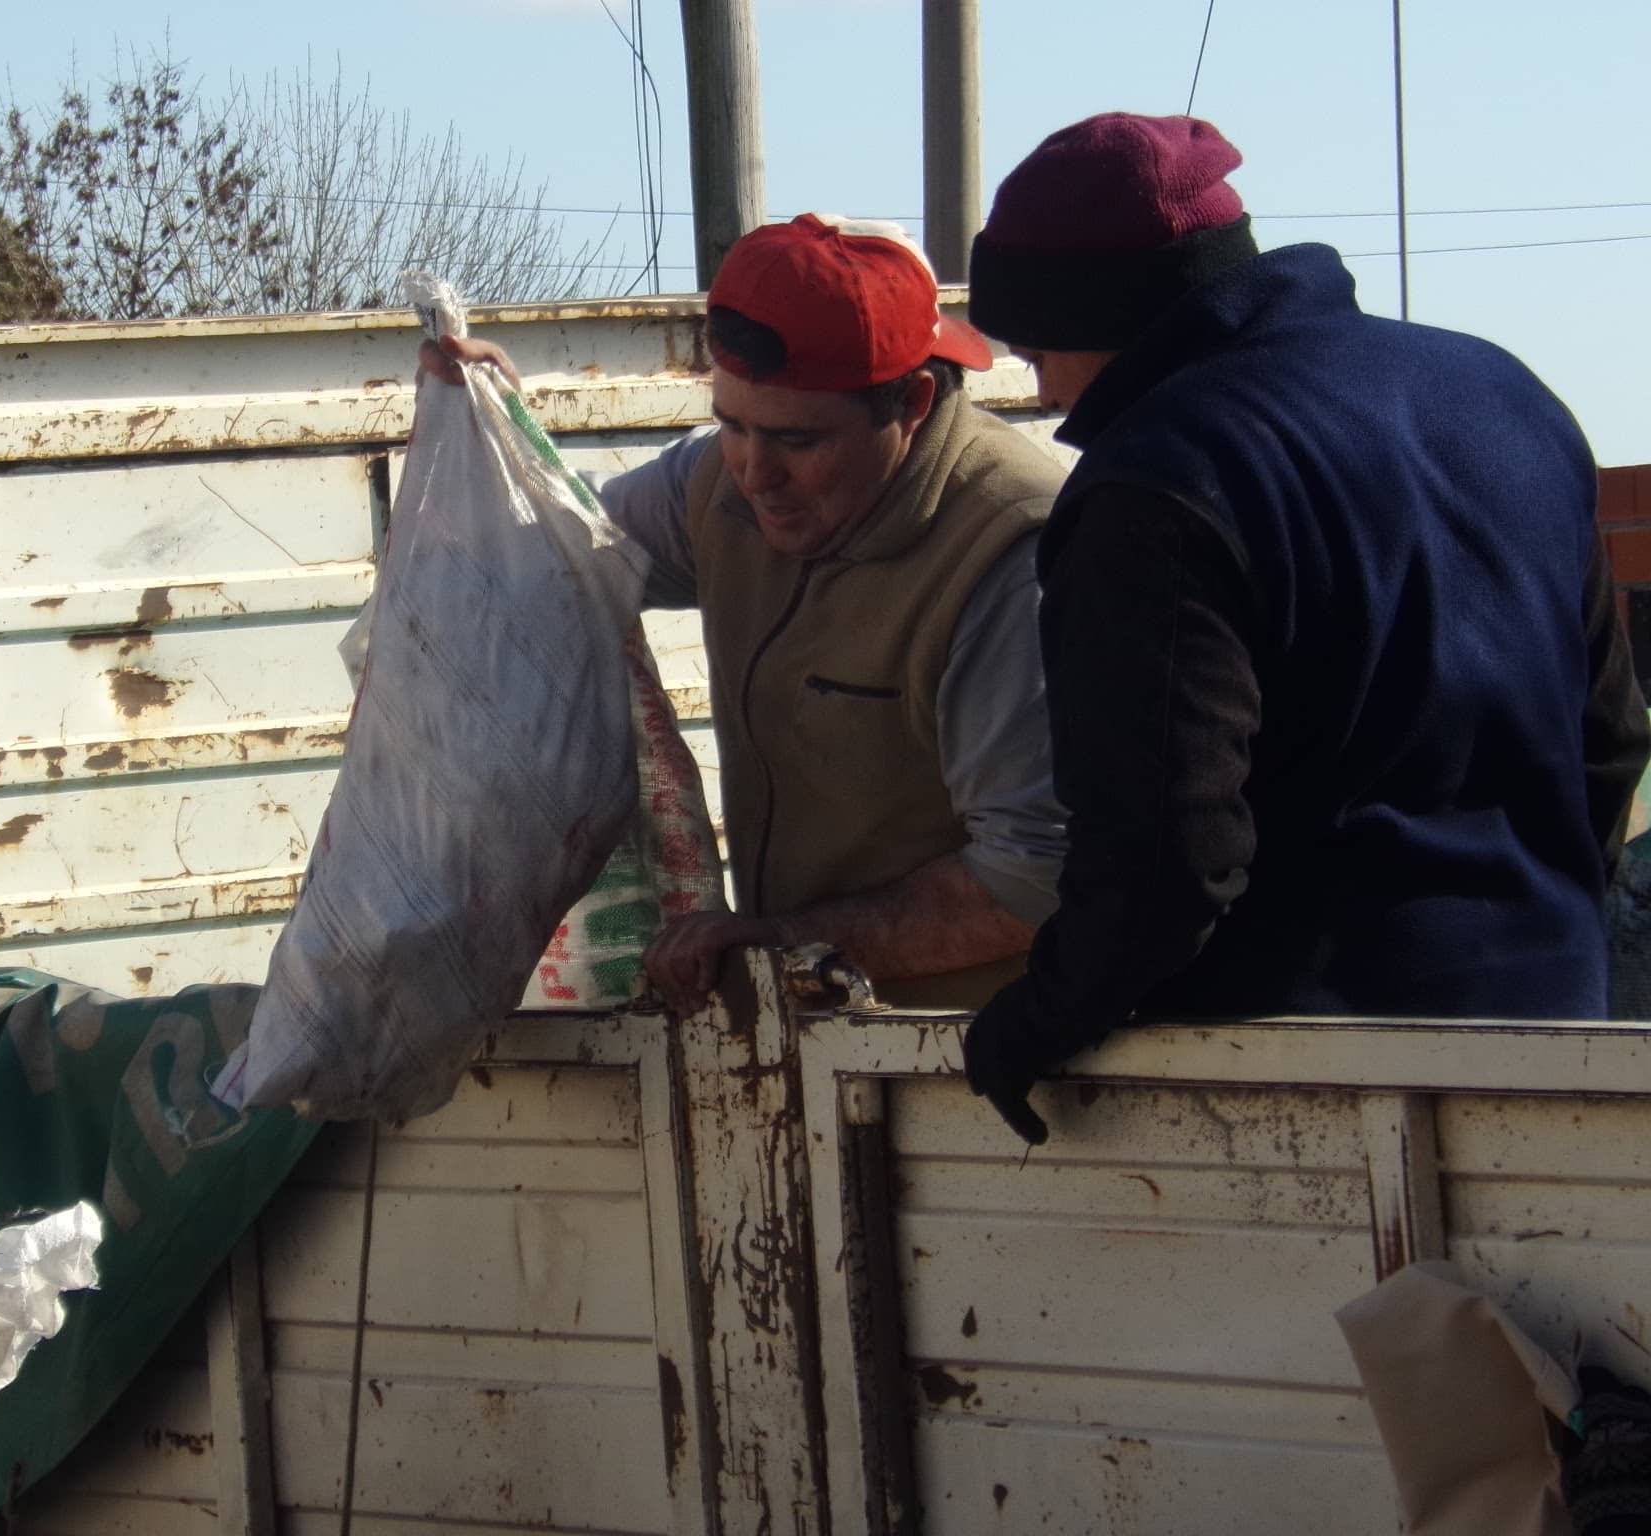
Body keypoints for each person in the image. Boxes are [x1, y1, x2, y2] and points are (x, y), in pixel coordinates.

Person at [958, 112, 1650, 1142]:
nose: (1041, 392)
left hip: (1301, 1083)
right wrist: (1544, 927)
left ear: (1088, 315)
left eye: (1034, 350)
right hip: (1557, 1035)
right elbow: (1609, 734)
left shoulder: (1157, 477)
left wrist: (1032, 1024)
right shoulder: (1503, 393)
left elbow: (1164, 850)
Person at [422, 213, 1070, 1010]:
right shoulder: (716, 486)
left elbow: (1030, 884)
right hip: (807, 1029)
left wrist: (779, 943)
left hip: (971, 1057)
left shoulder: (1009, 561)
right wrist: (497, 433)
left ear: (912, 404)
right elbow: (554, 560)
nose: (755, 474)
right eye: (732, 425)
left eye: (799, 441)